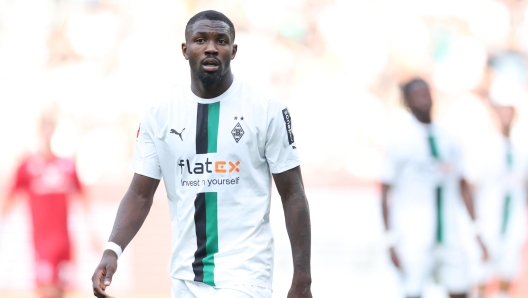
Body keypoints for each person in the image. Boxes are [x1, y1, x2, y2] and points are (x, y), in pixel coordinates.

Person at [91, 10, 312, 298]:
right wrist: (112, 249)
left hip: (245, 279)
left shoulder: (266, 109)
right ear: (185, 50)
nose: (210, 47)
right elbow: (140, 193)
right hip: (185, 281)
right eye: (200, 40)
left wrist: (302, 278)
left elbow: (293, 193)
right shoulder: (160, 113)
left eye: (221, 40)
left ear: (233, 50)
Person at [380, 78, 488, 298]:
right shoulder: (399, 140)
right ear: (407, 101)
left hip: (449, 232)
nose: (424, 98)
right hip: (413, 234)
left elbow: (463, 186)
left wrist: (476, 230)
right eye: (417, 94)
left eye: (426, 92)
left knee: (461, 289)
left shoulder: (450, 138)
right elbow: (385, 192)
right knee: (413, 291)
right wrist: (390, 241)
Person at [0, 112, 91, 298]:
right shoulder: (28, 165)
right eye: (45, 126)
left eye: (51, 126)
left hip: (64, 240)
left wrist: (92, 230)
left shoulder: (66, 165)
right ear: (39, 130)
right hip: (41, 240)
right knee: (45, 289)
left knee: (61, 289)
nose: (48, 131)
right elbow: (10, 195)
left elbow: (83, 197)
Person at [466, 54, 528, 298]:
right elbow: (470, 186)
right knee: (481, 275)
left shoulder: (519, 149)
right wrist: (475, 228)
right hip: (488, 220)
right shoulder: (484, 147)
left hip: (511, 223)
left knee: (507, 273)